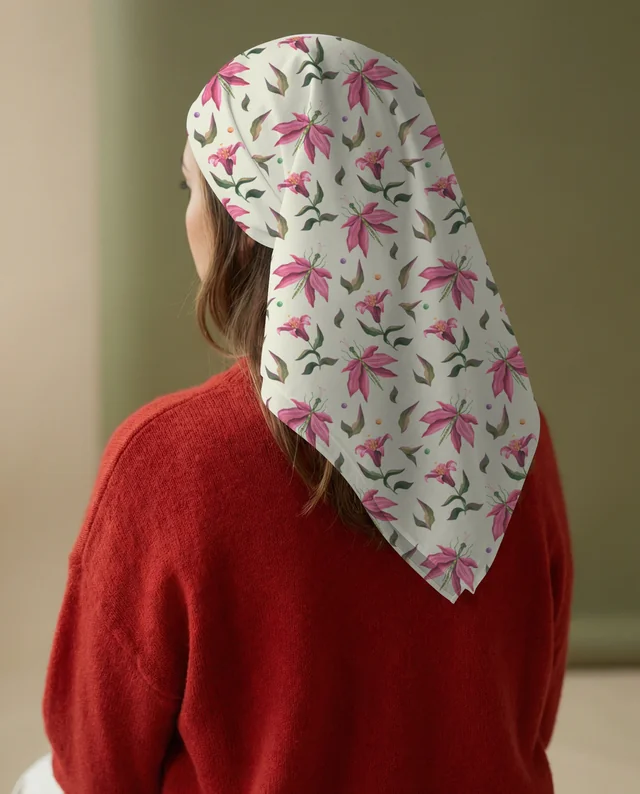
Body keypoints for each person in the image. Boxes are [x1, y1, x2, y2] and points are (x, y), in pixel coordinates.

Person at [15, 33, 572, 794]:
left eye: (194, 191)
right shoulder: (514, 436)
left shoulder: (164, 462)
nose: (188, 219)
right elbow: (530, 720)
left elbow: (95, 762)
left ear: (248, 223)